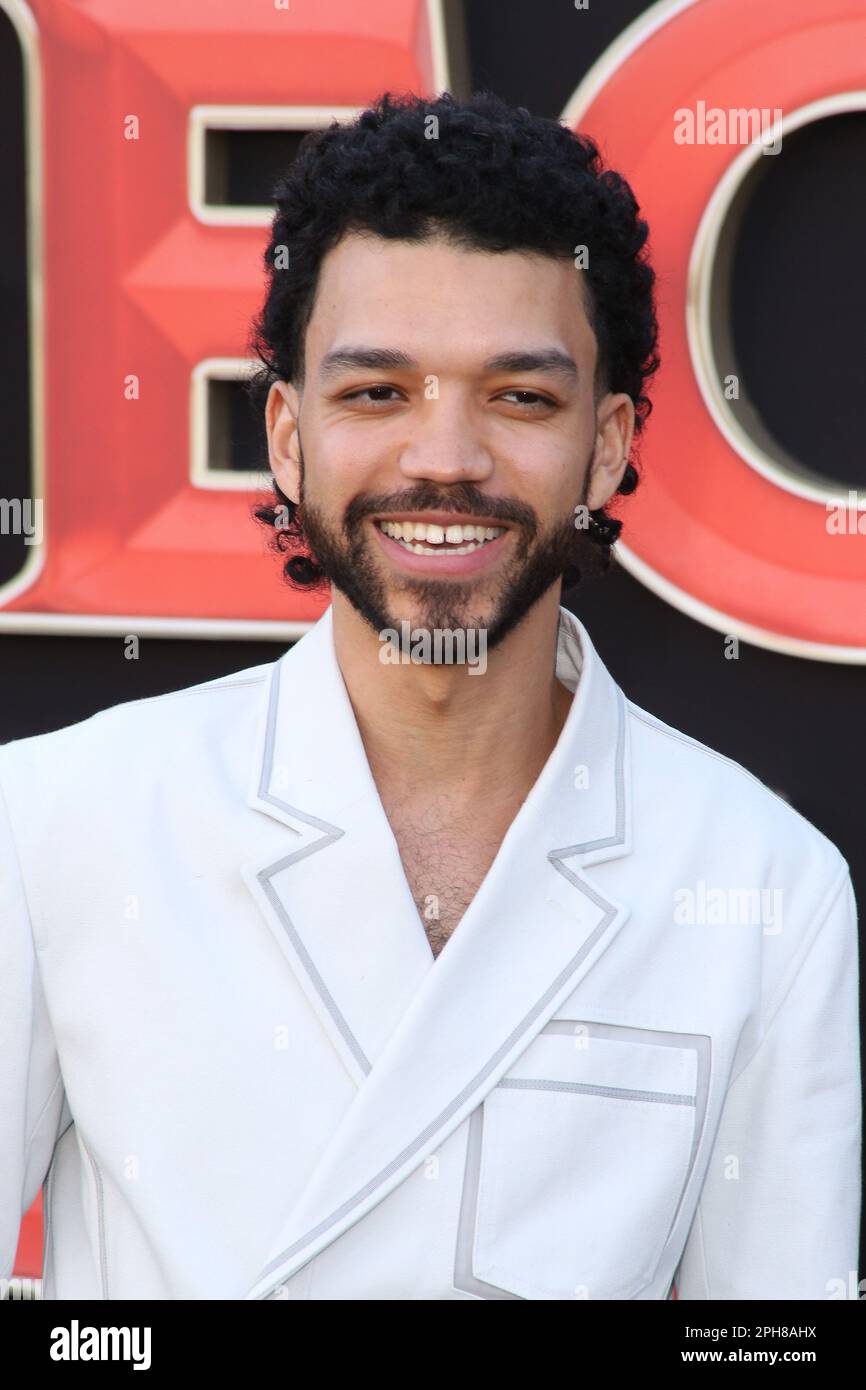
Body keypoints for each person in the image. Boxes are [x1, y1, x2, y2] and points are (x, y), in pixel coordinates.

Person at [0, 91, 859, 1301]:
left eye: (517, 396)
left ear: (606, 446)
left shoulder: (766, 886)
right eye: (376, 392)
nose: (444, 456)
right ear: (288, 440)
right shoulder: (55, 824)